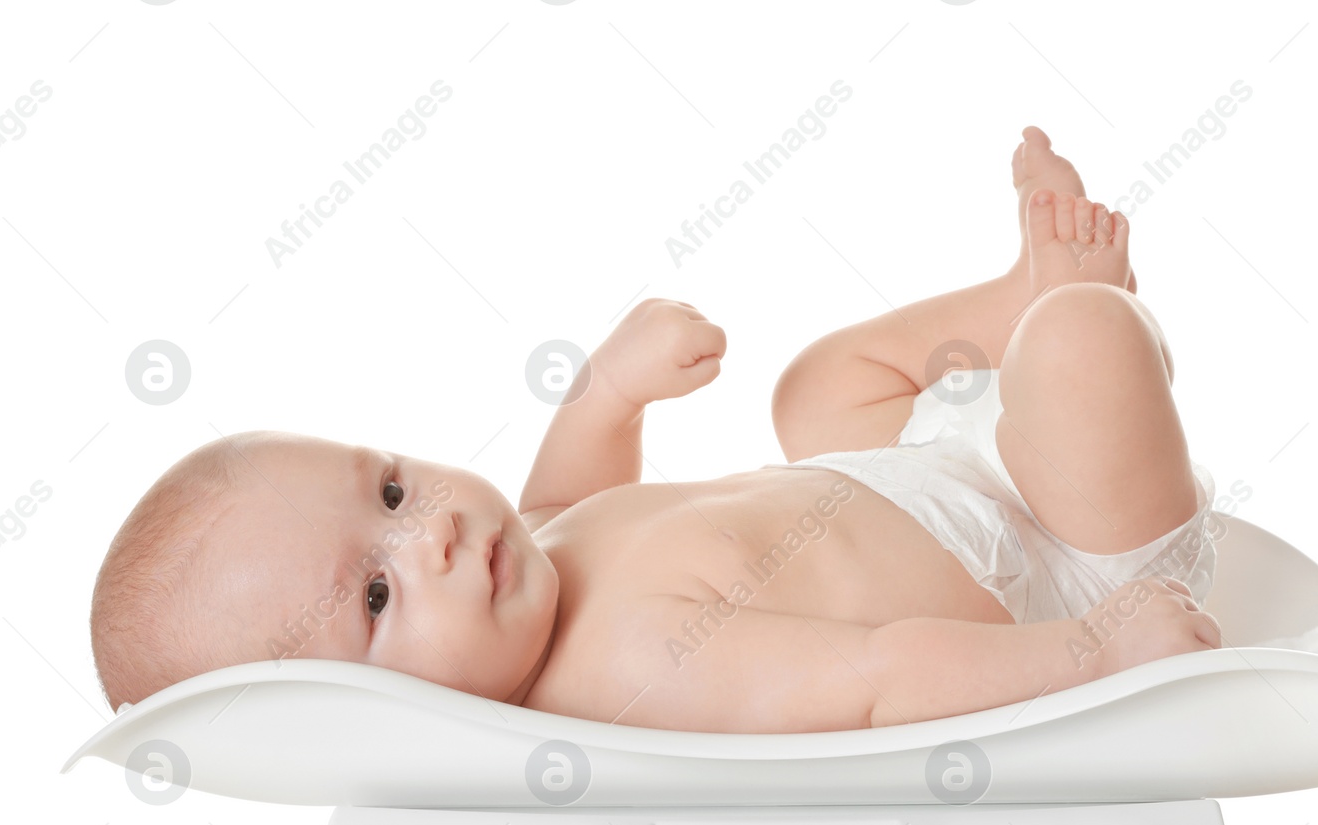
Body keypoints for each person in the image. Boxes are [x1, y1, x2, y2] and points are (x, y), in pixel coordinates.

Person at [90, 126, 1222, 733]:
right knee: (1081, 344)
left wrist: (604, 399)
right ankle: (1069, 323)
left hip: (916, 477)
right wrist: (1091, 651)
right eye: (377, 597)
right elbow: (879, 676)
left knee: (812, 387)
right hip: (1052, 564)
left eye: (390, 491)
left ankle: (1013, 295)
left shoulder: (514, 582)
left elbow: (554, 505)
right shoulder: (636, 670)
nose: (429, 534)